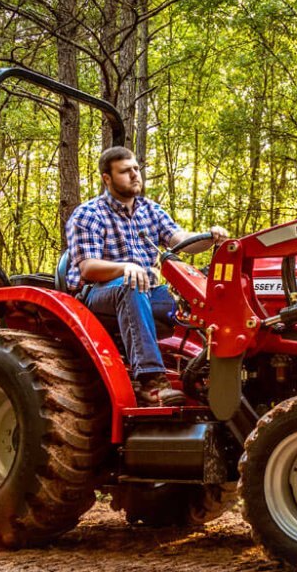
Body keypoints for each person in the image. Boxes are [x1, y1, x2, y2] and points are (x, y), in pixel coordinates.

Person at [63, 145, 229, 406]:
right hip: (98, 295)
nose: (134, 175)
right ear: (107, 178)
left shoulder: (149, 210)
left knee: (197, 297)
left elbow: (180, 241)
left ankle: (214, 372)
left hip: (147, 293)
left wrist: (210, 238)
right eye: (125, 171)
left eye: (136, 169)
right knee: (132, 285)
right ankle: (150, 382)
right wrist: (125, 267)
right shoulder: (88, 214)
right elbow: (88, 267)